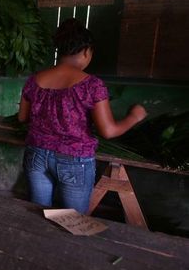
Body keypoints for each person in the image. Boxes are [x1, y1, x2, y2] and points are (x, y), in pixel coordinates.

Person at [17, 18, 147, 214]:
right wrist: (135, 117)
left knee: (38, 214)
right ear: (86, 51)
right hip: (74, 160)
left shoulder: (34, 81)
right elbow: (108, 131)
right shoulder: (91, 85)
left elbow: (22, 118)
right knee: (73, 221)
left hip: (36, 154)